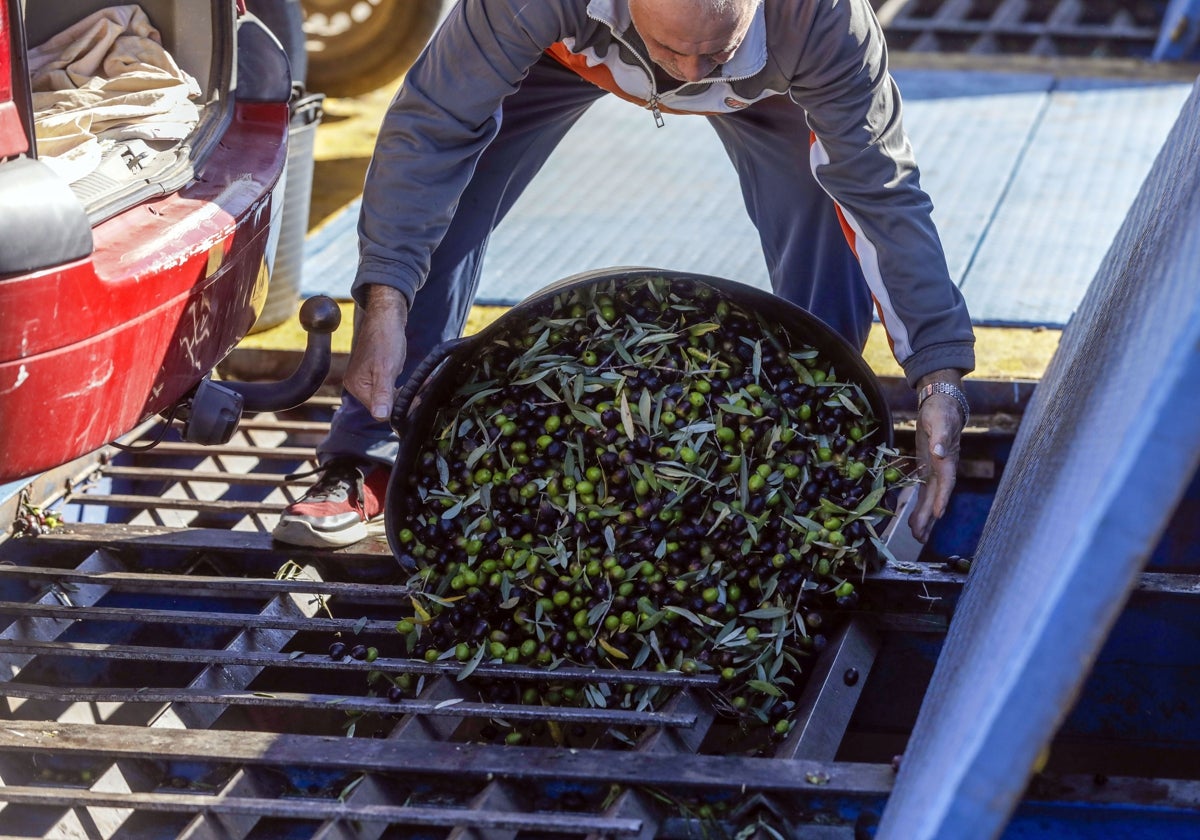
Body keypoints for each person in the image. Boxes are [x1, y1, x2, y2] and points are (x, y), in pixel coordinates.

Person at [270, 0, 975, 550]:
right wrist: (383, 301)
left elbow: (881, 194)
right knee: (446, 196)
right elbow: (431, 129)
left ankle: (810, 448)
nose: (690, 75)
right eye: (674, 48)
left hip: (769, 87)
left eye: (715, 49)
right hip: (565, 53)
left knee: (828, 216)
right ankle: (367, 448)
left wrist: (937, 373)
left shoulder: (824, 23)